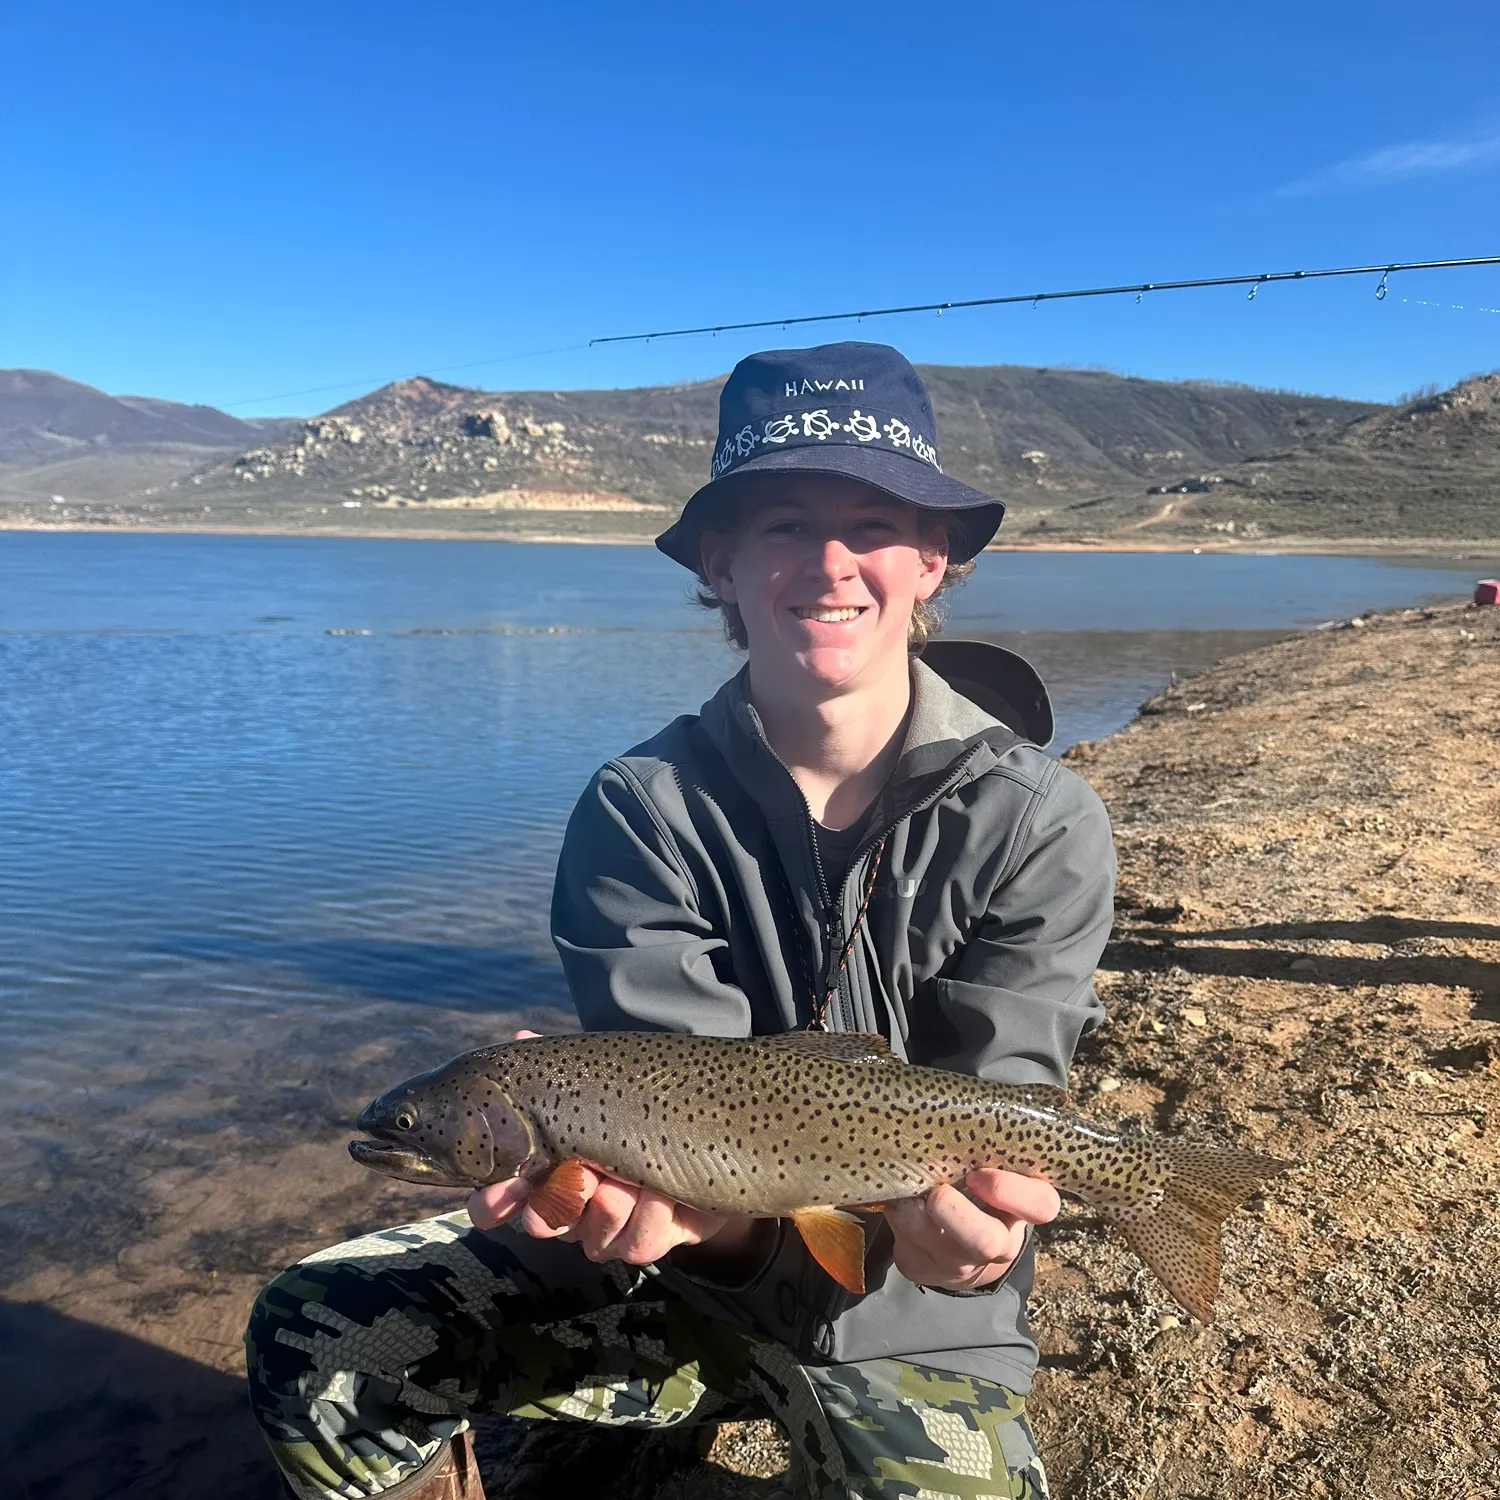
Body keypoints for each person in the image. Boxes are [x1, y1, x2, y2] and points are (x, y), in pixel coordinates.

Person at [245, 342, 1117, 1500]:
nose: (830, 562)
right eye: (783, 526)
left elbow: (1007, 1102)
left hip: (914, 1315)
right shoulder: (635, 810)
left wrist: (979, 1245)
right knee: (315, 1335)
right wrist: (674, 1218)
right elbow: (679, 1138)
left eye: (871, 523)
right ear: (718, 563)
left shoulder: (1044, 821)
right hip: (668, 1283)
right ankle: (634, 1425)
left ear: (933, 559)